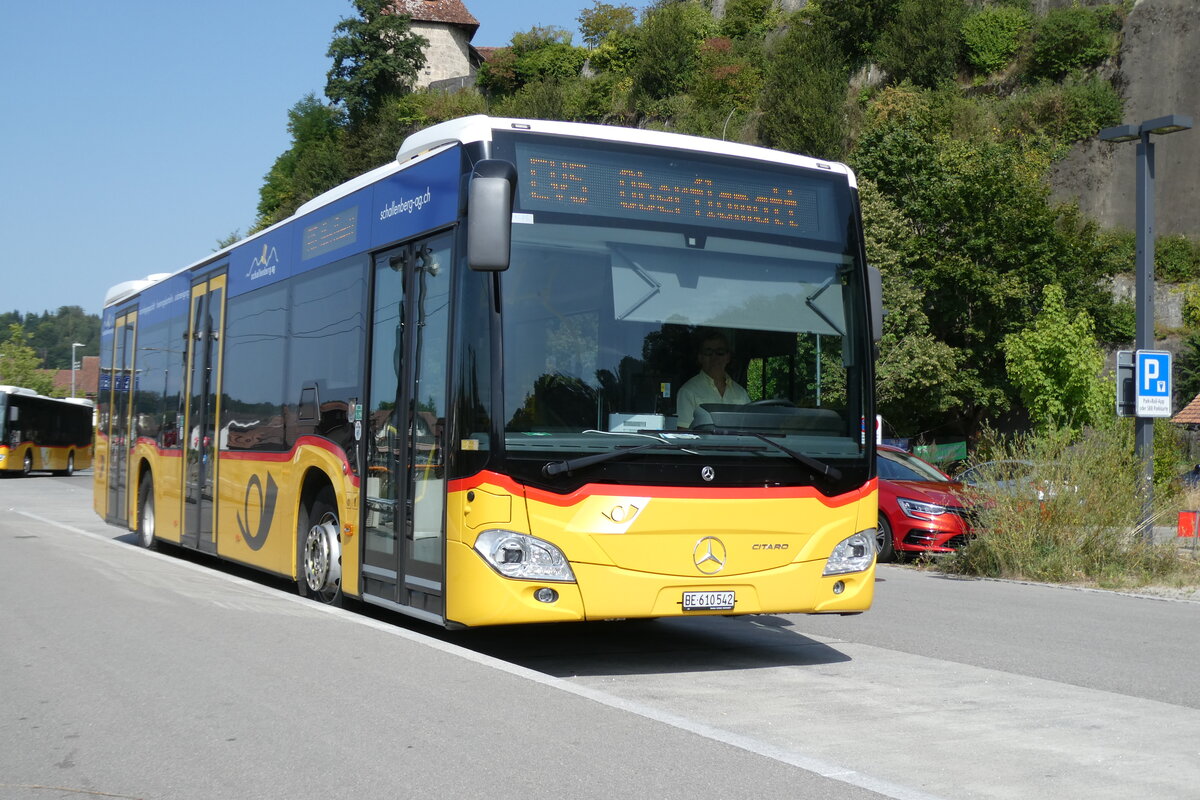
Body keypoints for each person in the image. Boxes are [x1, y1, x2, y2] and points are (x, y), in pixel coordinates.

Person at [675, 332, 751, 428]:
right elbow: (683, 435)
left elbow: (750, 430)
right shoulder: (688, 391)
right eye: (708, 352)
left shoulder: (741, 393)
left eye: (720, 352)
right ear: (700, 358)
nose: (714, 358)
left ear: (727, 357)